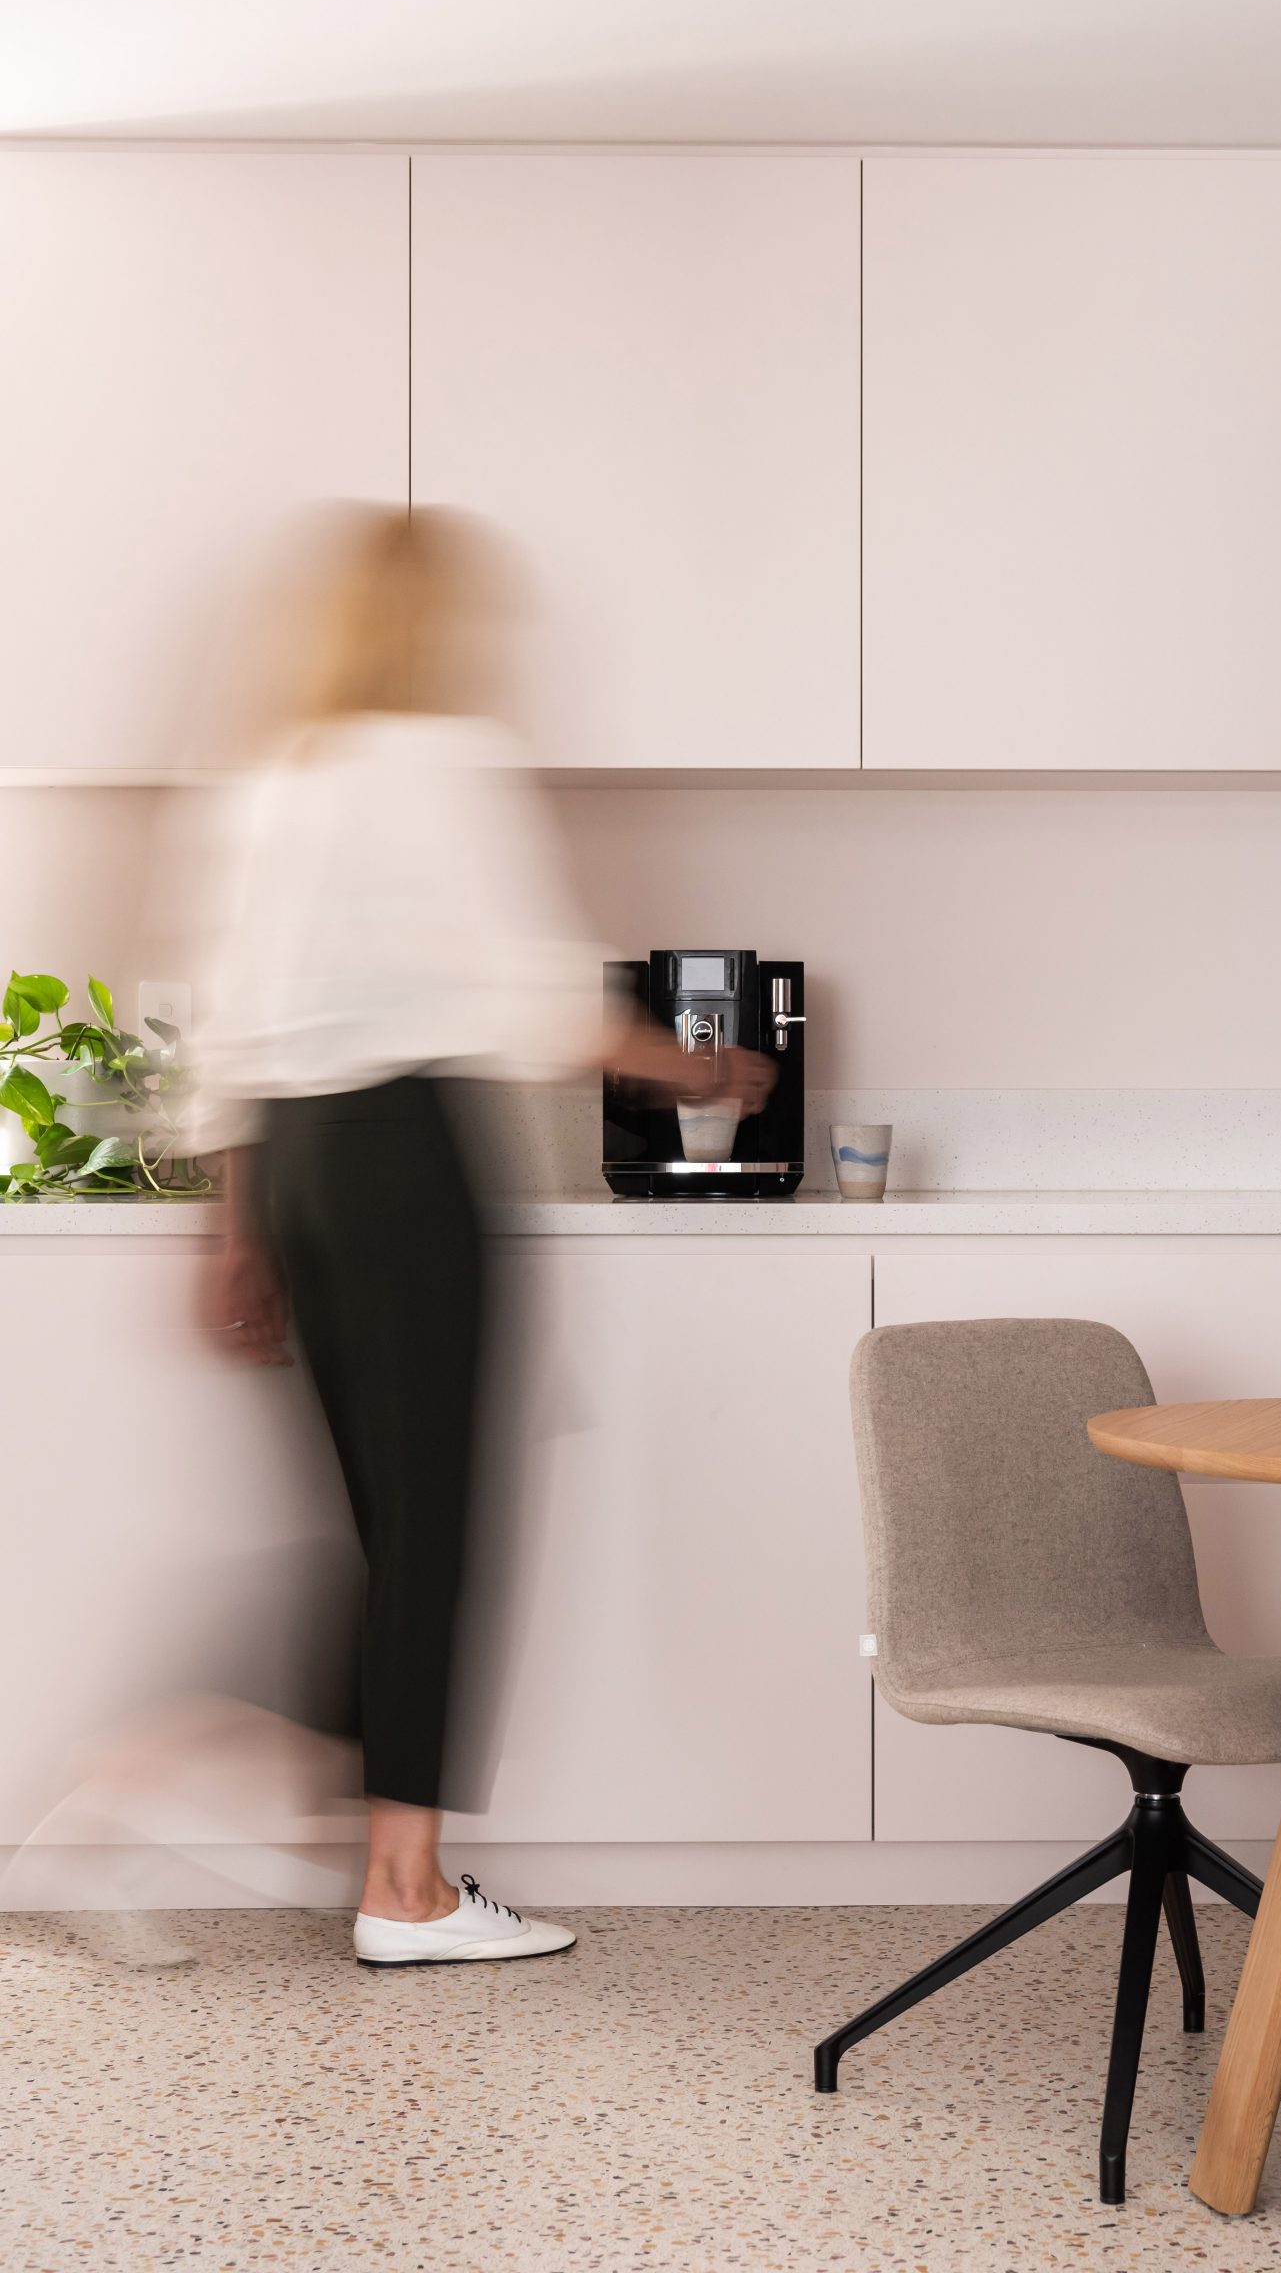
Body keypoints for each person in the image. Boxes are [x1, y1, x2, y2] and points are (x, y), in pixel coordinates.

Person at [192, 504, 769, 1967]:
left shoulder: (281, 775)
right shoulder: (441, 759)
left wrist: (233, 1231)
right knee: (433, 1523)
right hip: (401, 1154)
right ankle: (406, 1890)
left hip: (305, 1166)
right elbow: (523, 990)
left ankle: (333, 1842)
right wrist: (691, 1060)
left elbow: (233, 1017)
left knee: (379, 1531)